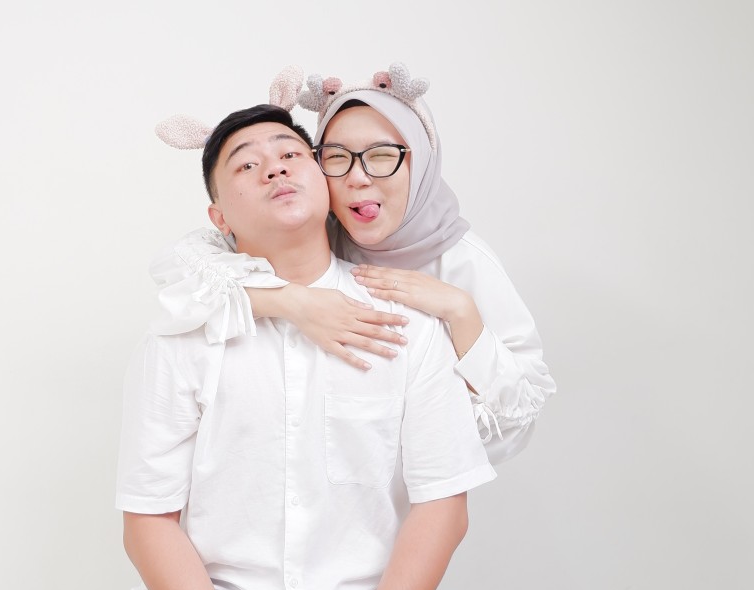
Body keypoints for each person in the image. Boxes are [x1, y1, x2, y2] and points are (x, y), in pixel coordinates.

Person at [81, 103, 527, 590]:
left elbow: (443, 510)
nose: (274, 169)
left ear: (323, 180)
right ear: (218, 217)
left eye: (291, 153)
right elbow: (148, 522)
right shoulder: (182, 338)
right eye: (247, 165)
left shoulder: (409, 326)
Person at [149, 63, 555, 465]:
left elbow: (517, 421)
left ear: (421, 163)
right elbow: (185, 276)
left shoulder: (463, 258)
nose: (358, 177)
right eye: (337, 157)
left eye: (381, 156)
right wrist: (291, 302)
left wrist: (461, 312)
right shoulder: (317, 231)